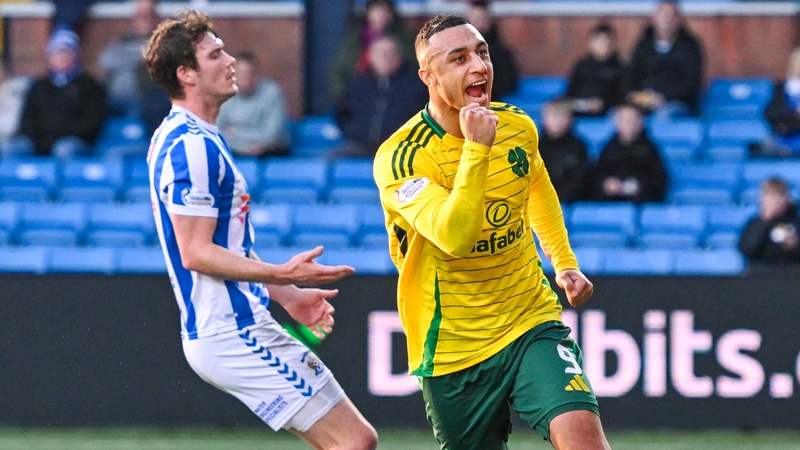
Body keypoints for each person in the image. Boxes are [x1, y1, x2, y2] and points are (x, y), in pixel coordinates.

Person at [373, 14, 610, 450]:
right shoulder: (401, 159)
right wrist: (477, 149)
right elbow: (455, 236)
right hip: (453, 346)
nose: (479, 66)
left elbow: (537, 186)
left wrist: (563, 262)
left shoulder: (516, 126)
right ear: (428, 75)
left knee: (584, 441)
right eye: (459, 58)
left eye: (481, 52)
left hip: (529, 320)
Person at [143, 11, 378, 450]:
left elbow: (222, 244)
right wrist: (283, 274)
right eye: (215, 54)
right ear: (186, 74)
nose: (230, 59)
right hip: (229, 331)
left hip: (245, 322)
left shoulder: (198, 136)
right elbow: (194, 252)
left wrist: (286, 295)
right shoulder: (190, 145)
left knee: (355, 440)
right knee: (352, 442)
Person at [333, 36, 427, 159]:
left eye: (392, 54)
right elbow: (341, 112)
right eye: (381, 54)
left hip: (401, 148)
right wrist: (353, 131)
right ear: (370, 57)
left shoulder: (416, 84)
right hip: (358, 146)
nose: (387, 58)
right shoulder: (358, 83)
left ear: (400, 56)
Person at [18, 27, 106, 158]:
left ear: (75, 55)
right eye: (56, 53)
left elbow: (91, 123)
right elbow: (27, 120)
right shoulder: (39, 86)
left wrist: (59, 134)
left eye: (65, 52)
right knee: (13, 148)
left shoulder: (90, 86)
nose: (61, 57)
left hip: (73, 141)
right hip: (39, 141)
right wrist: (40, 139)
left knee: (64, 150)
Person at [621, 0, 704, 118]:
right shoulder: (644, 44)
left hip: (676, 103)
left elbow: (691, 84)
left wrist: (664, 97)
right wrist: (634, 95)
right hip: (644, 102)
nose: (666, 20)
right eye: (663, 15)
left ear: (679, 20)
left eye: (671, 16)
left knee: (662, 117)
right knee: (623, 117)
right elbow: (630, 75)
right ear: (654, 18)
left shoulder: (690, 47)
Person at [329, 0, 415, 104]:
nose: (381, 16)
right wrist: (341, 96)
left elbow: (411, 64)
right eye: (376, 11)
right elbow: (340, 68)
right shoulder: (355, 37)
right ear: (368, 13)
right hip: (358, 94)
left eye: (385, 11)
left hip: (394, 93)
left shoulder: (403, 37)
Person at [216, 52, 290, 158]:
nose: (243, 78)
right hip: (233, 150)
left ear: (256, 75)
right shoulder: (224, 93)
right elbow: (216, 130)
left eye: (247, 73)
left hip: (269, 151)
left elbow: (272, 134)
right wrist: (243, 146)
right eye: (239, 73)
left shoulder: (272, 93)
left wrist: (236, 133)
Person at [590, 103, 667, 204]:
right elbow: (597, 176)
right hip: (611, 202)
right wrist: (606, 185)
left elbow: (659, 181)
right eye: (625, 120)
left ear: (641, 122)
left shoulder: (650, 149)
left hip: (639, 203)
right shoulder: (608, 148)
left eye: (633, 120)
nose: (629, 124)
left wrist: (638, 187)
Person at [738, 178, 800, 273]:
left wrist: (793, 246)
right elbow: (747, 249)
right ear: (762, 199)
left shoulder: (795, 222)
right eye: (771, 197)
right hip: (759, 276)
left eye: (779, 196)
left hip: (789, 277)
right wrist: (765, 221)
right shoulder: (754, 223)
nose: (775, 202)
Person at [464, 0, 519, 101]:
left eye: (481, 20)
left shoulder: (500, 53)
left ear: (489, 22)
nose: (477, 24)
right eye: (474, 20)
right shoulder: (456, 52)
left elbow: (508, 84)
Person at [565, 23, 624, 117]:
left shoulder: (621, 68)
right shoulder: (581, 66)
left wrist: (603, 103)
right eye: (599, 40)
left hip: (609, 115)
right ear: (590, 43)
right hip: (579, 113)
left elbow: (623, 96)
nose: (604, 44)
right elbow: (570, 95)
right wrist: (585, 104)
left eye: (608, 40)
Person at [538, 99, 590, 204]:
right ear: (544, 118)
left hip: (569, 201)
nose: (558, 121)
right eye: (554, 116)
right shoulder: (535, 145)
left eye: (562, 116)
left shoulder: (578, 146)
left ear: (570, 119)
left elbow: (579, 179)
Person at [762, 46, 800, 157]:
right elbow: (772, 114)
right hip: (785, 140)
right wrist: (795, 116)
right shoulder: (782, 88)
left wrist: (786, 125)